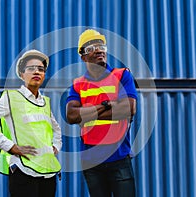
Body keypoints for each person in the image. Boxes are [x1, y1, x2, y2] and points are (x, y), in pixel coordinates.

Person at [0, 49, 62, 197]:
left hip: (48, 173)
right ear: (21, 74)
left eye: (40, 69)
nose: (36, 72)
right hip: (24, 172)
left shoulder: (44, 102)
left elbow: (56, 129)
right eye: (31, 68)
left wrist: (56, 146)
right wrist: (10, 146)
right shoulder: (11, 98)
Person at [66, 29, 138, 197]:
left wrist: (86, 112)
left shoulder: (122, 75)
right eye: (91, 47)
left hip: (119, 158)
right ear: (83, 56)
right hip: (92, 164)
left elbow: (128, 109)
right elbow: (71, 116)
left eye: (101, 45)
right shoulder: (78, 84)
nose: (98, 49)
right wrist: (107, 106)